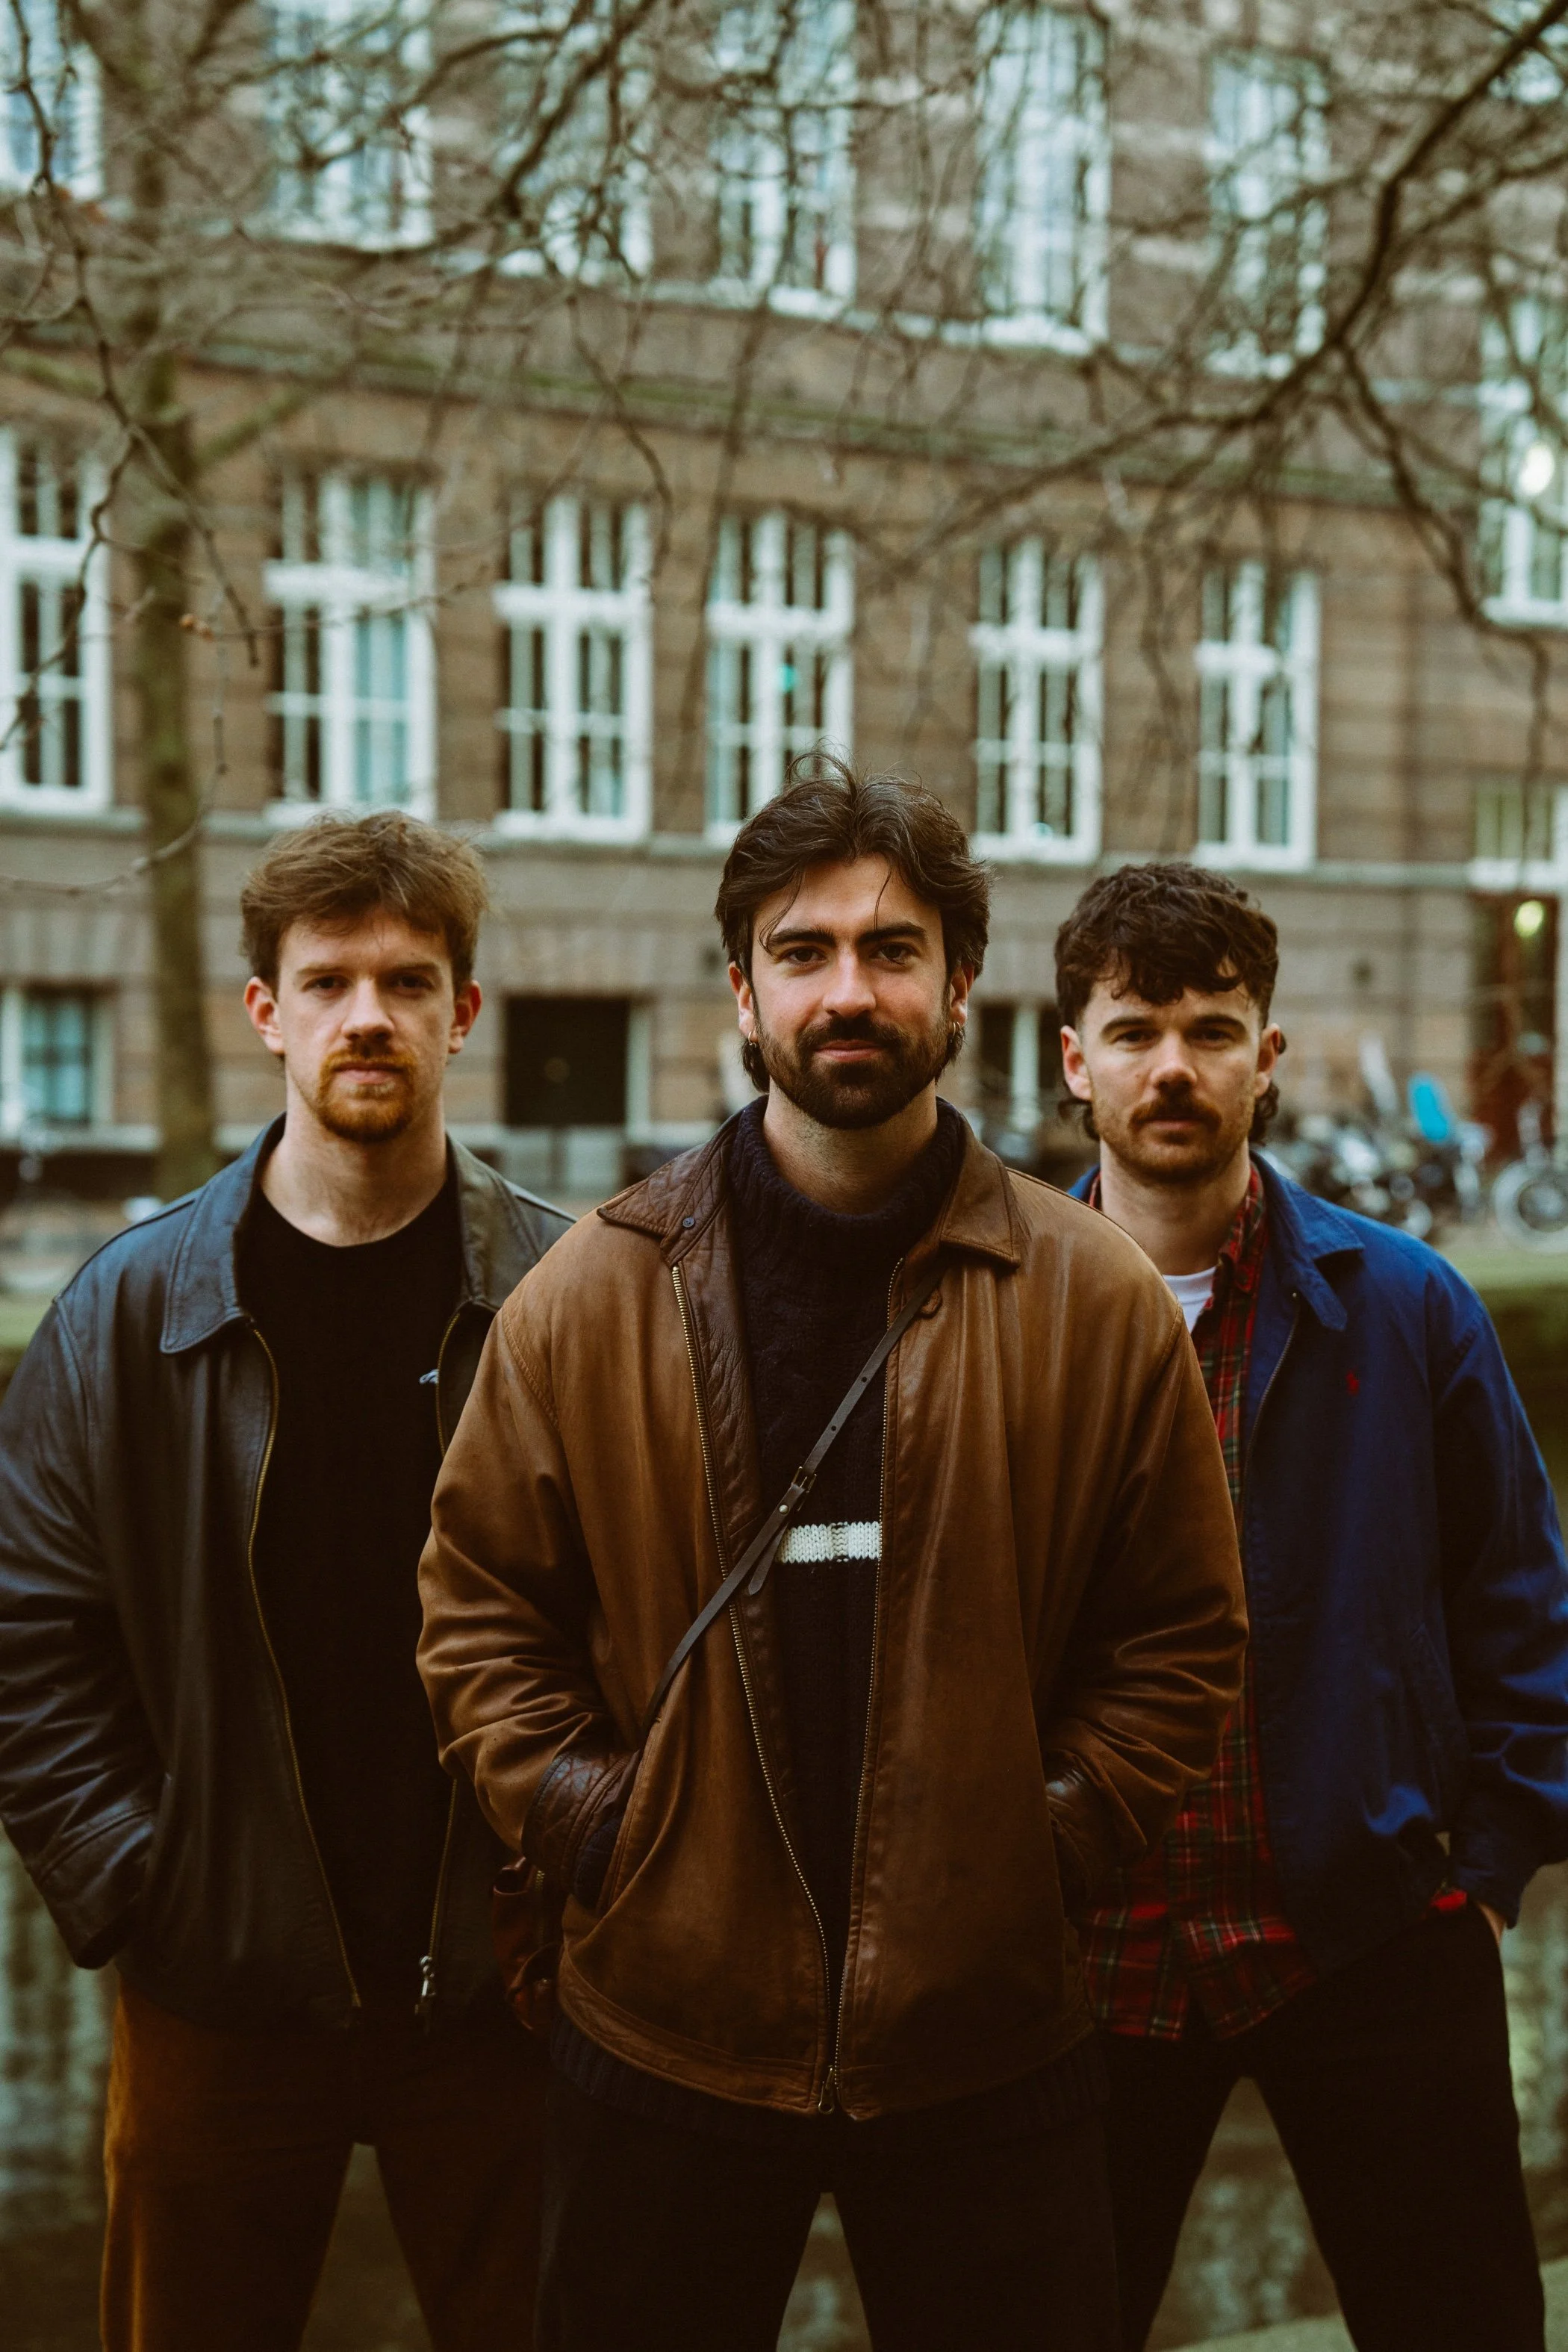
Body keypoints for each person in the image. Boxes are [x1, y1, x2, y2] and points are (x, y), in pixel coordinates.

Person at [417, 761, 1248, 2352]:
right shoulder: (594, 1293)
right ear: (741, 988)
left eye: (890, 949)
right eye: (803, 951)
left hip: (990, 2037)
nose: (848, 989)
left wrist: (1049, 1841)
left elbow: (1183, 1638)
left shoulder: (1091, 1298)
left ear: (960, 986)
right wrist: (600, 1832)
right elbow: (479, 1615)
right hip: (665, 2024)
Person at [0, 812, 570, 2352]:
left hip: (508, 1985)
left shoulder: (571, 1298)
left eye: (405, 980)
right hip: (221, 1982)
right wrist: (140, 1883)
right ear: (267, 1015)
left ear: (461, 1012)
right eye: (326, 982)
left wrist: (590, 1875)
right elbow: (28, 1637)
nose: (366, 1016)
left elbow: (659, 1616)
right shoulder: (130, 1313)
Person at [1055, 860, 1568, 2352]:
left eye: (1212, 1031)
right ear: (1074, 1059)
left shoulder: (1406, 1306)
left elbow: (1521, 1607)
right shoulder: (994, 1313)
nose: (1175, 1067)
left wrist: (1484, 1859)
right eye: (1137, 1029)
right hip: (1093, 1950)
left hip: (1368, 1924)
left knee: (1460, 2320)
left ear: (1266, 1057)